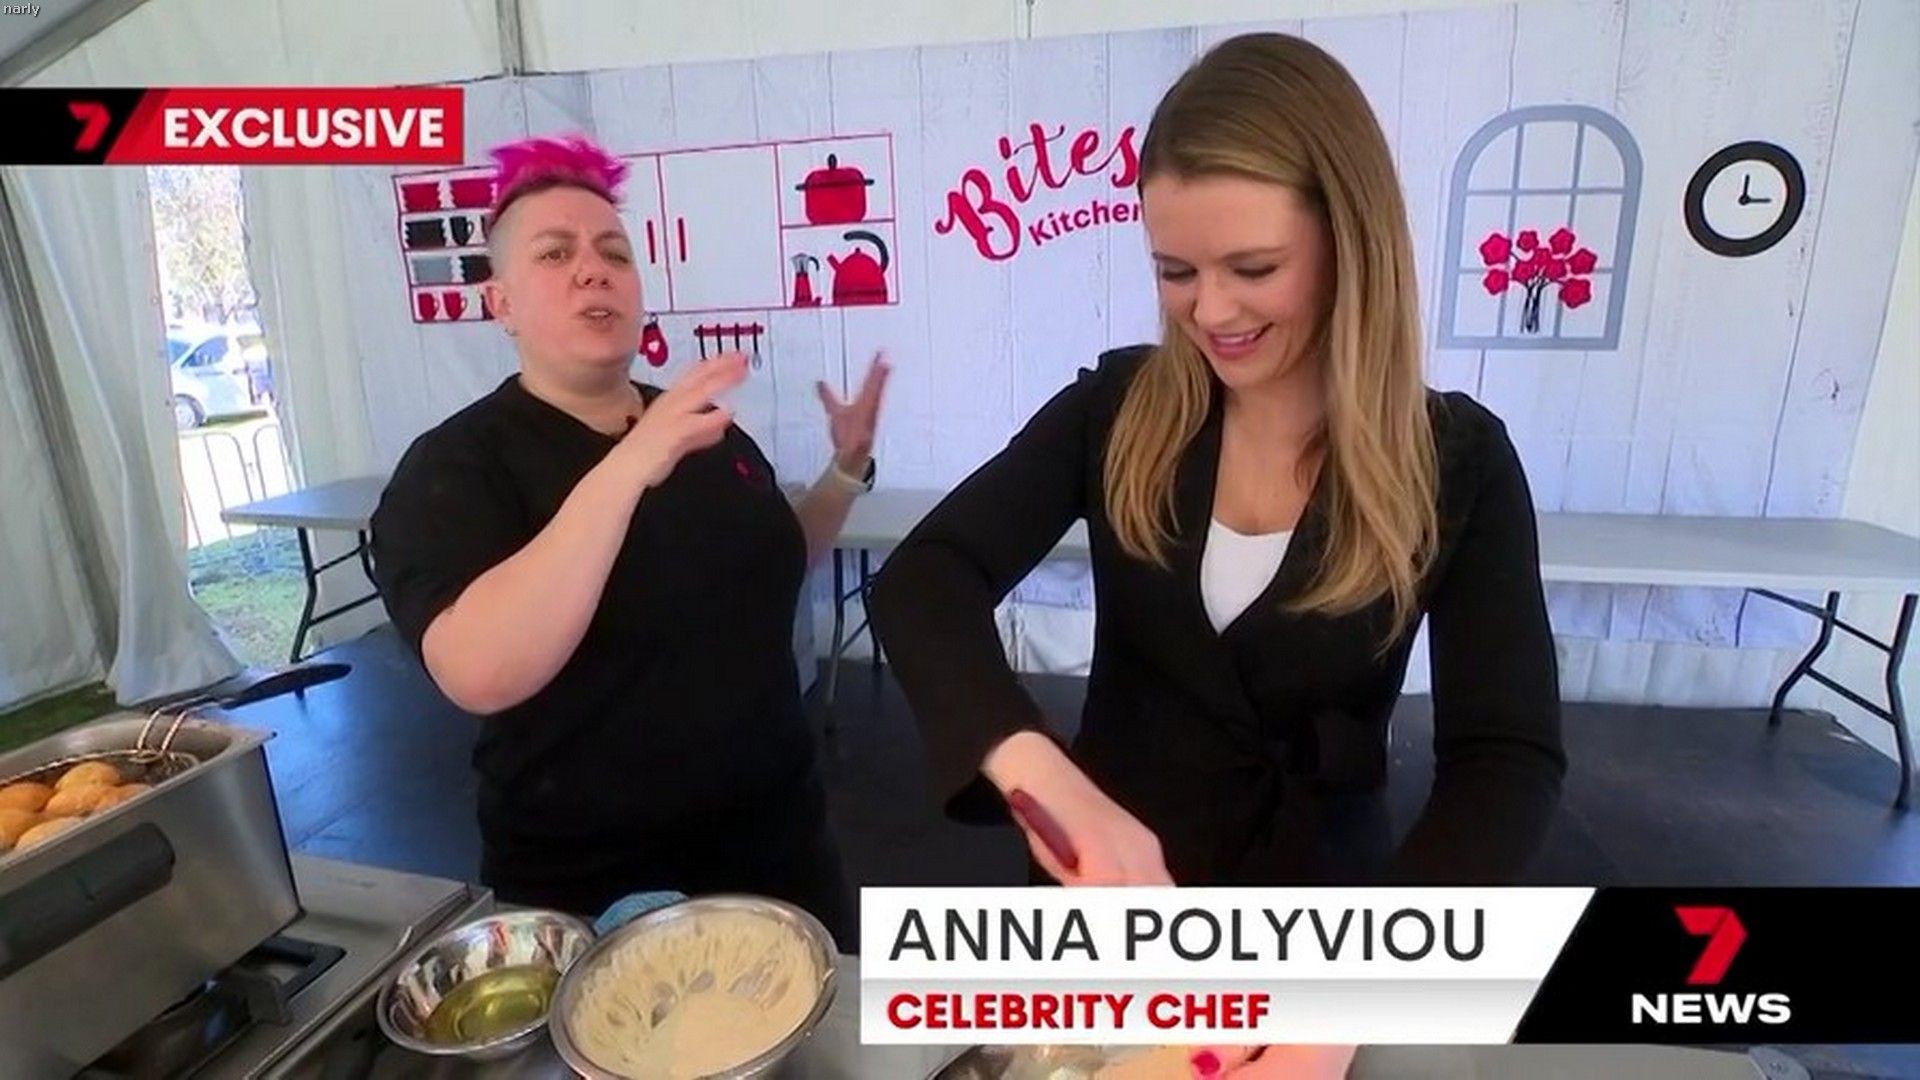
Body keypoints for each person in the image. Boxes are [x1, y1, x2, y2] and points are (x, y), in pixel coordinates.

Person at [870, 32, 1565, 894]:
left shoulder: (1458, 461)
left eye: (1254, 268)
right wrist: (1040, 774)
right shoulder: (1117, 408)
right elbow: (927, 577)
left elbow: (1505, 759)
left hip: (1319, 913)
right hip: (1103, 902)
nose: (1211, 311)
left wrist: (1381, 958)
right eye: (1176, 271)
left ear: (1350, 242)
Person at [370, 136, 888, 947]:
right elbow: (478, 669)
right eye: (555, 253)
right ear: (500, 303)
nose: (593, 269)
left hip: (784, 852)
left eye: (613, 251)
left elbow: (777, 558)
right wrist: (629, 463)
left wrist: (846, 468)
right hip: (602, 889)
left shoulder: (699, 427)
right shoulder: (459, 466)